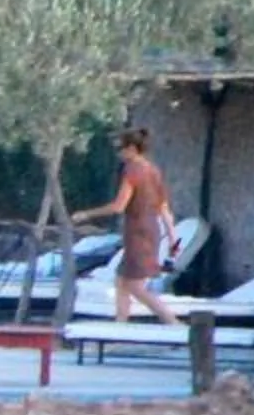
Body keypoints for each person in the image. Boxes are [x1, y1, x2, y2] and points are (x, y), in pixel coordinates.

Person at [73, 125, 184, 325]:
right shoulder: (153, 170)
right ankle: (120, 329)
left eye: (120, 149)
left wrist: (86, 214)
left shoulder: (133, 170)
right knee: (121, 281)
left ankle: (177, 326)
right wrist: (173, 239)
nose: (118, 153)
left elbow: (118, 206)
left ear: (132, 148)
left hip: (138, 233)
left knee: (135, 287)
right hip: (151, 231)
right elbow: (164, 209)